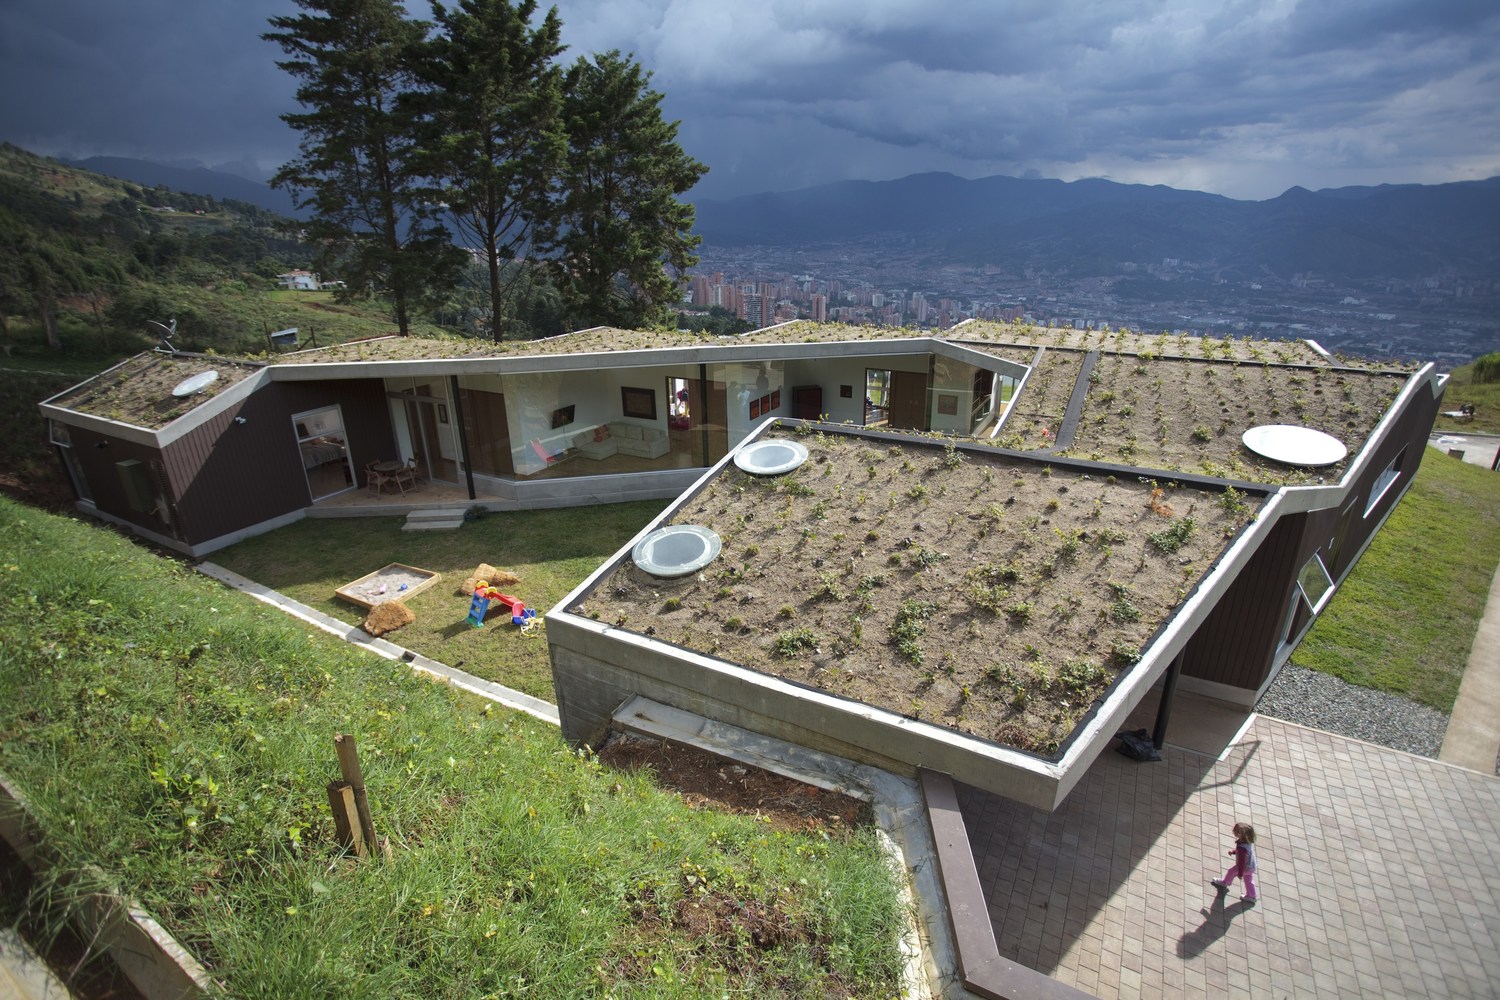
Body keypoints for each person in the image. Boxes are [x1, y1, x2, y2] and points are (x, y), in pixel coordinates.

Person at [1211, 822, 1259, 904]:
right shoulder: (1247, 842)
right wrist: (1233, 852)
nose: (1234, 832)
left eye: (1237, 831)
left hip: (1243, 867)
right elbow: (1244, 853)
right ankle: (1252, 896)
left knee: (1231, 872)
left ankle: (1225, 882)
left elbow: (1241, 862)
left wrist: (1240, 873)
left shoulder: (1241, 848)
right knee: (1249, 880)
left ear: (1243, 835)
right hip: (1251, 866)